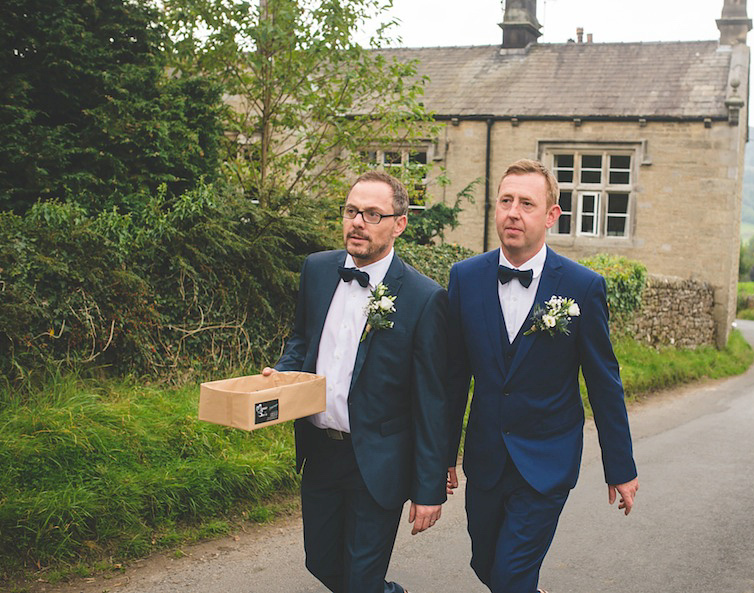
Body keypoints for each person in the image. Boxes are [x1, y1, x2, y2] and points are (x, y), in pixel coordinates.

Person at [445, 159, 638, 593]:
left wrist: (619, 467)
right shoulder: (465, 278)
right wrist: (443, 455)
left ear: (552, 216)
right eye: (506, 201)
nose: (513, 212)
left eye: (527, 203)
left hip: (548, 459)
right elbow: (454, 376)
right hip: (487, 456)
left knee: (511, 575)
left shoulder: (583, 286)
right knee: (485, 563)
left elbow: (604, 382)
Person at [262, 171, 448, 593]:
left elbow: (432, 400)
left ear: (399, 223)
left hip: (379, 460)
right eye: (351, 211)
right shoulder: (317, 269)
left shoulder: (424, 296)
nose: (357, 222)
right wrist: (286, 373)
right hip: (320, 450)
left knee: (361, 580)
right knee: (322, 562)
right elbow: (301, 339)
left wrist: (429, 485)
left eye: (371, 214)